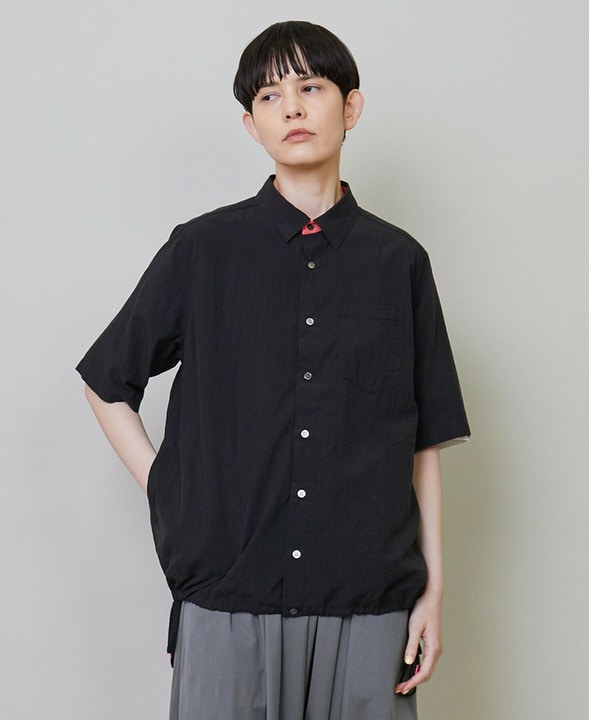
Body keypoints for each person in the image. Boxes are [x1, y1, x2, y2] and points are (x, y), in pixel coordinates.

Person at [77, 20, 470, 720]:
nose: (291, 108)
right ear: (250, 125)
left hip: (369, 601)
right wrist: (167, 485)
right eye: (269, 96)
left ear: (350, 107)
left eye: (310, 88)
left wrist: (433, 592)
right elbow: (107, 381)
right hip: (229, 592)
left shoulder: (399, 263)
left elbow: (423, 442)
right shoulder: (202, 250)